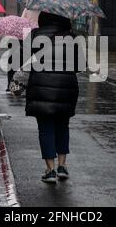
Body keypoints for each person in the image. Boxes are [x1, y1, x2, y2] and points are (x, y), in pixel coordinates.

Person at [25, 12, 81, 184]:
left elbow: (23, 61)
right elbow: (79, 65)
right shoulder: (71, 37)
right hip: (66, 88)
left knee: (46, 128)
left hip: (41, 89)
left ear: (42, 19)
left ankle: (50, 170)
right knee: (63, 126)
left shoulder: (34, 35)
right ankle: (62, 166)